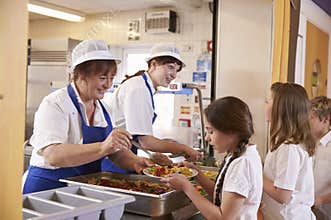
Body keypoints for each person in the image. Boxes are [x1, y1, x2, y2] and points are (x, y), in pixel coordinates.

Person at [23, 39, 151, 194]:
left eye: (111, 78)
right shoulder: (55, 103)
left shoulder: (103, 108)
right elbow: (53, 155)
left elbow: (114, 152)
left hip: (82, 188)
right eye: (103, 78)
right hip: (48, 187)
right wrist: (103, 146)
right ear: (81, 75)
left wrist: (136, 162)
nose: (108, 85)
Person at [102, 43, 202, 172]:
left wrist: (168, 144)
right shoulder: (138, 88)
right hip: (116, 159)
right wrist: (184, 148)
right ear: (153, 64)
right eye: (170, 67)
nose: (174, 75)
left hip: (125, 152)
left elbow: (138, 136)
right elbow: (146, 142)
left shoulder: (145, 87)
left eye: (176, 70)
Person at [161, 96, 263, 219]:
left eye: (211, 132)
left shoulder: (242, 163)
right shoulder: (239, 154)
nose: (206, 138)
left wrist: (186, 187)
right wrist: (196, 173)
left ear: (231, 130)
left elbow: (223, 217)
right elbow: (220, 195)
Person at [262, 83, 316, 220]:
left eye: (268, 101)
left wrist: (257, 173)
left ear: (280, 109)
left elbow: (282, 195)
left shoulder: (289, 148)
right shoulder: (284, 143)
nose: (264, 104)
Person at [309, 96, 331, 220]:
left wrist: (321, 199)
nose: (307, 121)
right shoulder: (309, 143)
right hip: (309, 212)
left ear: (326, 119)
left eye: (312, 117)